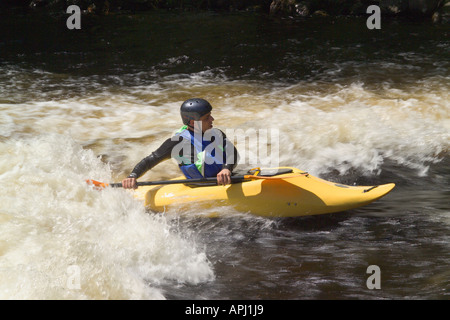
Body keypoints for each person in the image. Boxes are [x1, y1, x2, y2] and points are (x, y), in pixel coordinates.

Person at [122, 98, 239, 189]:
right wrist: (132, 176)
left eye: (210, 115)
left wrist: (226, 169)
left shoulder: (217, 133)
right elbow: (150, 160)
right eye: (207, 117)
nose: (212, 119)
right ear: (193, 122)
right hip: (201, 188)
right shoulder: (178, 143)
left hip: (226, 180)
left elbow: (232, 152)